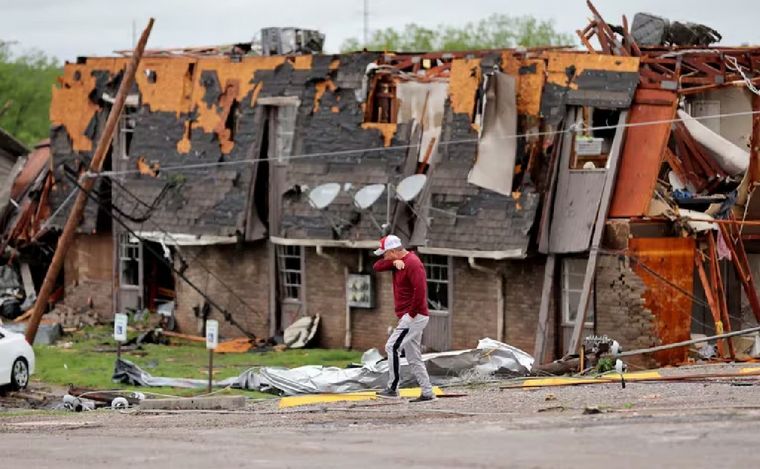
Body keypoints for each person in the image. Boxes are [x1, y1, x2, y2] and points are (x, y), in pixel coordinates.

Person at [372, 235, 435, 402]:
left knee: (392, 347)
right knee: (414, 356)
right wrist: (392, 263)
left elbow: (420, 291)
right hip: (410, 316)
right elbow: (377, 266)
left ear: (392, 251)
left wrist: (412, 314)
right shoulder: (397, 263)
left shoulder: (413, 263)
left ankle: (393, 388)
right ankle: (428, 392)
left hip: (414, 315)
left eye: (385, 254)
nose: (382, 257)